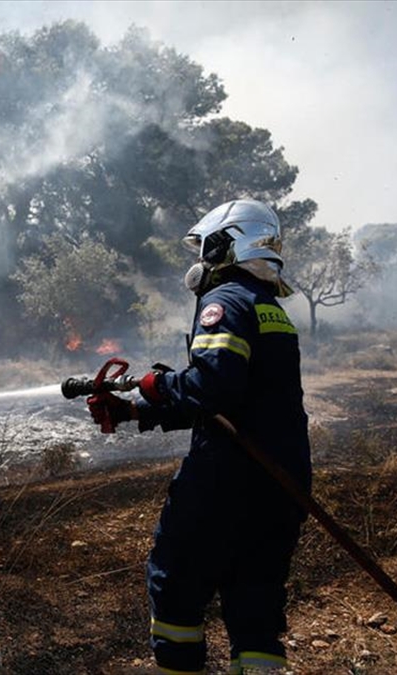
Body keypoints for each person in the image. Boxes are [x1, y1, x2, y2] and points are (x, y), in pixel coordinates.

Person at [87, 199, 311, 675]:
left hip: (227, 479)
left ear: (225, 244)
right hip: (281, 480)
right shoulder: (269, 308)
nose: (201, 260)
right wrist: (134, 410)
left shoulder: (224, 300)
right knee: (255, 603)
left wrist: (157, 383)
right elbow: (234, 403)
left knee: (175, 584)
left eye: (206, 248)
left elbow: (213, 387)